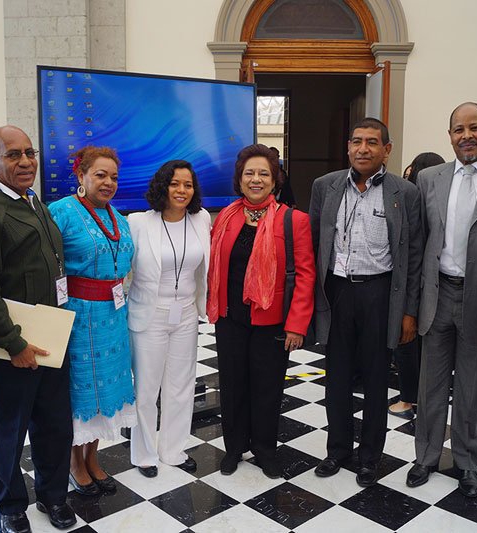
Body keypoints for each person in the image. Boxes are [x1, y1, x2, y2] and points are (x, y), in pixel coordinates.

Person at [0, 126, 76, 533]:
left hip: (51, 339)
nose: (25, 161)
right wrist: (13, 343)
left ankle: (53, 497)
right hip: (14, 345)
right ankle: (10, 504)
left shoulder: (34, 202)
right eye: (13, 155)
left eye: (29, 152)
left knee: (54, 425)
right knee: (7, 431)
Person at [407, 102, 477, 497]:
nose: (466, 136)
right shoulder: (429, 178)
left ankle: (468, 462)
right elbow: (418, 244)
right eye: (458, 129)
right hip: (437, 296)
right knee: (429, 386)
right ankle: (426, 457)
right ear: (449, 135)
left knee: (472, 389)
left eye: (474, 128)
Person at [310, 117, 422, 487]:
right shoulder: (325, 187)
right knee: (336, 379)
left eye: (372, 142)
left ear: (386, 150)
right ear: (348, 146)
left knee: (376, 380)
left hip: (380, 294)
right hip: (337, 292)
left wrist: (409, 311)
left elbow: (415, 255)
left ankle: (370, 458)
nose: (363, 149)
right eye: (356, 141)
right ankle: (337, 450)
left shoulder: (404, 193)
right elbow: (313, 246)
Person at [207, 144, 315, 478]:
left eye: (263, 174)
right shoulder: (226, 216)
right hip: (230, 318)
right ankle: (234, 448)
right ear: (239, 180)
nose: (256, 180)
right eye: (249, 173)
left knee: (267, 388)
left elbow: (306, 274)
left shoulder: (293, 221)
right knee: (233, 385)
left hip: (272, 322)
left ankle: (266, 449)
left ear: (275, 180)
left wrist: (297, 325)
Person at [48, 146, 136, 496]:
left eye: (114, 177)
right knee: (79, 389)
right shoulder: (61, 212)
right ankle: (73, 462)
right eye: (100, 174)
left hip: (113, 317)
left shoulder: (120, 217)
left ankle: (93, 457)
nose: (108, 182)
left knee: (108, 390)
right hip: (76, 316)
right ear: (81, 175)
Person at [127, 160, 211, 478]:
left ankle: (173, 449)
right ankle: (145, 453)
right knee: (147, 388)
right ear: (163, 186)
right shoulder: (138, 222)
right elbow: (125, 270)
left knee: (181, 385)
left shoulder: (201, 218)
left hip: (187, 311)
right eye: (175, 183)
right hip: (149, 312)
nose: (181, 190)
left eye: (187, 185)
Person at [389, 151, 445, 420]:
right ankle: (426, 397)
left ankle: (408, 398)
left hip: (410, 281)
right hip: (438, 284)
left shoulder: (409, 199)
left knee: (406, 342)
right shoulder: (440, 200)